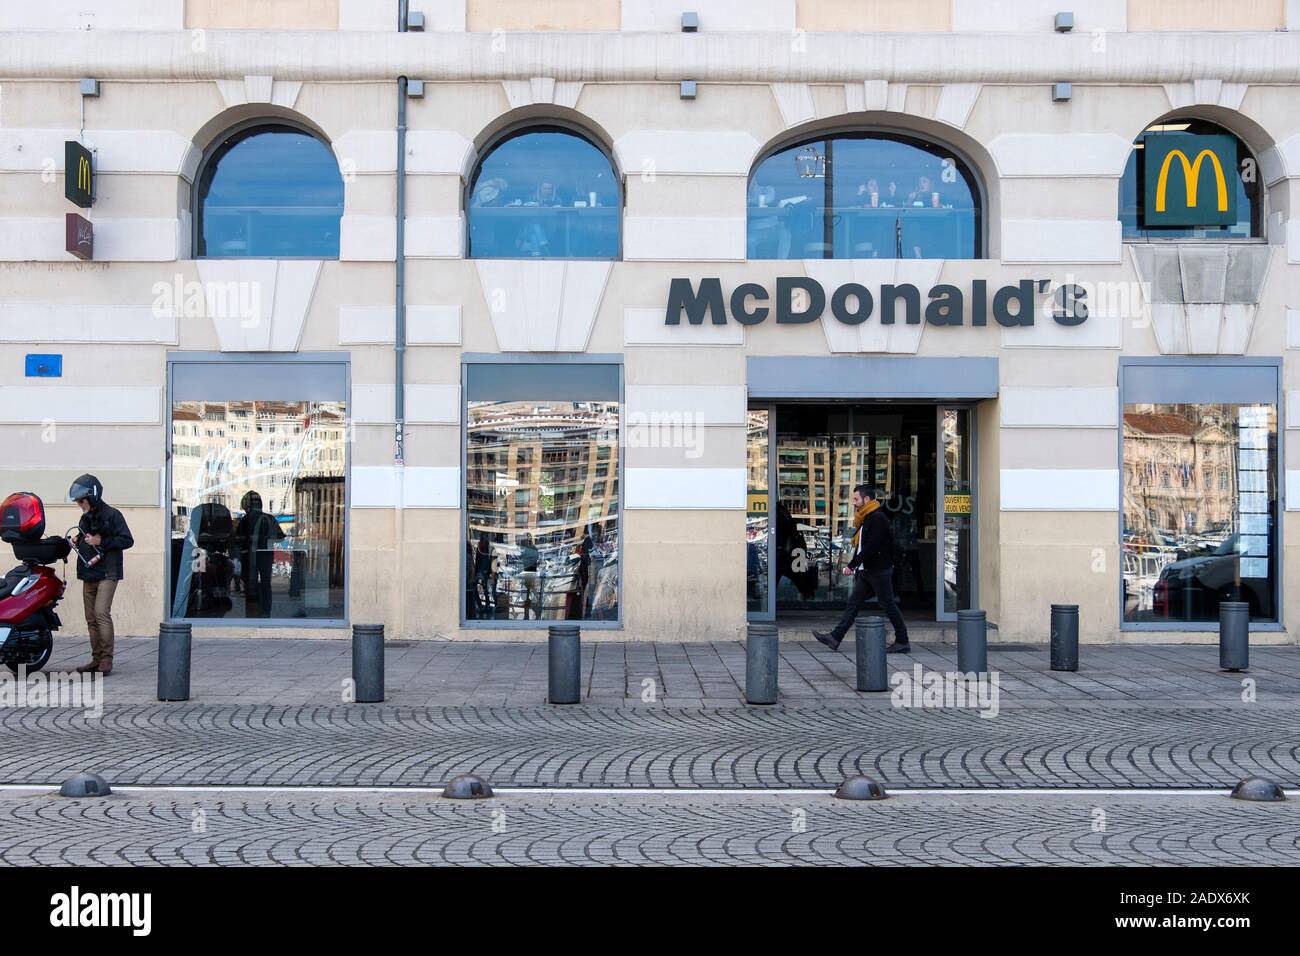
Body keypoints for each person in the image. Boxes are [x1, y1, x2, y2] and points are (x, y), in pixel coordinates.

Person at [814, 485, 910, 654]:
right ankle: (835, 637)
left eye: (856, 499)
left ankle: (902, 640)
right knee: (853, 604)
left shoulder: (877, 518)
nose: (854, 502)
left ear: (867, 500)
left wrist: (852, 565)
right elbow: (864, 546)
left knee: (888, 605)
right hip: (868, 570)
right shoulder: (867, 517)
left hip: (878, 570)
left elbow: (872, 547)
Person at [66, 474, 134, 675]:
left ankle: (106, 660)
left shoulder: (113, 515)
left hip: (107, 572)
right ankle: (96, 660)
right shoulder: (85, 517)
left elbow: (127, 540)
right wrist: (77, 540)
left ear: (92, 496)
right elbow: (85, 537)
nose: (79, 504)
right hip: (88, 571)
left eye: (81, 500)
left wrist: (101, 541)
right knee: (90, 618)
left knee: (101, 614)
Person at [234, 490, 284, 618]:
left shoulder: (245, 520)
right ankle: (265, 612)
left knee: (251, 586)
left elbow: (238, 540)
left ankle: (252, 613)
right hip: (266, 558)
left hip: (249, 558)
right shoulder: (269, 518)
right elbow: (280, 537)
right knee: (266, 585)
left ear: (247, 505)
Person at [518, 534, 541, 619]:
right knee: (529, 591)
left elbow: (522, 557)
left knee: (528, 591)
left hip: (529, 572)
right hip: (530, 572)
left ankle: (530, 612)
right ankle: (529, 613)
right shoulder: (533, 548)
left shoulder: (527, 548)